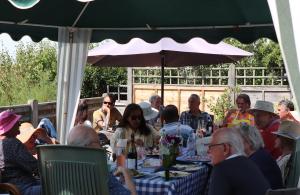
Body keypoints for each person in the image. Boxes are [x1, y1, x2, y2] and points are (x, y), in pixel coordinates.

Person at [67, 125, 137, 195]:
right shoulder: (99, 173)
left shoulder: (61, 170)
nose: (101, 147)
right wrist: (127, 175)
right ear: (89, 146)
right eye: (98, 142)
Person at [208, 127, 270, 195]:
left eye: (211, 147)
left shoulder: (221, 169)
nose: (208, 151)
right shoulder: (248, 162)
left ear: (225, 148)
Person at [0, 110, 41, 195]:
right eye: (16, 123)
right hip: (22, 188)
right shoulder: (12, 143)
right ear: (10, 126)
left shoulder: (3, 143)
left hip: (8, 190)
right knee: (57, 187)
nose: (19, 125)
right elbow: (35, 166)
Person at [238, 124, 283, 189]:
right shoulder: (260, 154)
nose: (233, 143)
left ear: (248, 141)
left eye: (236, 140)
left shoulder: (255, 161)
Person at [272, 120, 300, 185]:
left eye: (278, 136)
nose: (275, 138)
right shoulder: (287, 158)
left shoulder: (287, 160)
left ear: (284, 140)